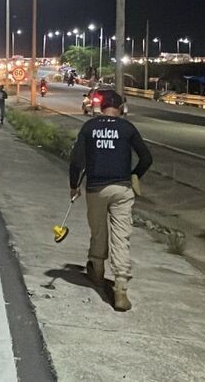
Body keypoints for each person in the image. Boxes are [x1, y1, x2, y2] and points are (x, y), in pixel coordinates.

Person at [68, 90, 152, 312]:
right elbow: (146, 157)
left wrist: (74, 185)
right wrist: (135, 175)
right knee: (121, 236)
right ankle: (121, 287)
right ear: (121, 108)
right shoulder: (127, 128)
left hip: (96, 188)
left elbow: (76, 160)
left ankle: (97, 271)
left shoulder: (90, 127)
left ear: (101, 106)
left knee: (98, 232)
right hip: (122, 188)